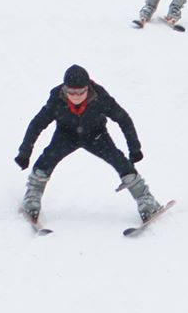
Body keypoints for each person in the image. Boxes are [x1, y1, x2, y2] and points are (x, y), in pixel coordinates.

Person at [14, 64, 164, 226]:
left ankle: (146, 201)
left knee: (120, 162)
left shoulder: (100, 97)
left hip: (96, 136)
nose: (76, 96)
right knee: (46, 161)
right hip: (66, 135)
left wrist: (134, 148)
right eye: (71, 92)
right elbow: (37, 124)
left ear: (88, 87)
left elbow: (123, 119)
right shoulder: (56, 100)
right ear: (65, 89)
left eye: (81, 91)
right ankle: (32, 198)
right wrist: (25, 152)